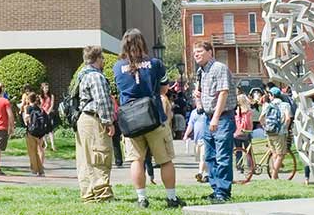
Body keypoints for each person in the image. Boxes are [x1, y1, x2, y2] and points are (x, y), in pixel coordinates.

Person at [118, 28, 184, 209]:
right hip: (154, 117)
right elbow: (164, 89)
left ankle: (142, 199)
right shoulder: (155, 63)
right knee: (165, 160)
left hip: (131, 121)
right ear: (143, 43)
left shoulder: (117, 67)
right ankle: (171, 198)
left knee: (136, 160)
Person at [191, 38, 234, 203]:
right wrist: (198, 99)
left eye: (200, 52)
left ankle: (223, 192)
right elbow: (201, 93)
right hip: (207, 117)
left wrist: (216, 117)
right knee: (210, 156)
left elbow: (223, 92)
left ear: (210, 52)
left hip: (222, 117)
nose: (197, 55)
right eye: (195, 53)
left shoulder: (219, 68)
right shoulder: (201, 72)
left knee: (222, 156)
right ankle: (216, 189)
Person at [72, 44, 115, 202]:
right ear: (98, 58)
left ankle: (88, 194)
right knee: (100, 155)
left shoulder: (82, 75)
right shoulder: (96, 76)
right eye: (102, 58)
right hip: (94, 119)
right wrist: (108, 122)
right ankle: (103, 194)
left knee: (84, 159)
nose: (104, 61)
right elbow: (102, 101)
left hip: (83, 119)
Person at [21, 90, 49, 177]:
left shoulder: (28, 108)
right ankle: (41, 170)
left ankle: (35, 169)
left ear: (29, 99)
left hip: (31, 132)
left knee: (32, 152)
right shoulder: (39, 108)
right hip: (40, 132)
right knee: (40, 150)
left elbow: (26, 120)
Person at [38, 80, 57, 152]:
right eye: (45, 88)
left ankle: (53, 145)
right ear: (42, 89)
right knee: (43, 130)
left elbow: (52, 105)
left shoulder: (51, 96)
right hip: (42, 114)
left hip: (49, 114)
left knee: (50, 130)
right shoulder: (40, 96)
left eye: (47, 88)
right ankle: (46, 144)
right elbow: (40, 105)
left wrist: (48, 112)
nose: (47, 89)